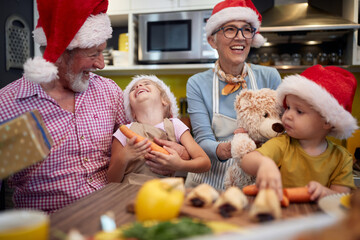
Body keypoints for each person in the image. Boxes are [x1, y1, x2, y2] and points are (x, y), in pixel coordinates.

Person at [185, 0, 281, 190]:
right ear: (213, 40)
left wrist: (255, 153)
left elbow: (282, 132)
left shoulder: (270, 77)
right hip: (208, 183)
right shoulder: (196, 83)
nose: (240, 37)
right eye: (230, 29)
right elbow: (202, 140)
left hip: (257, 180)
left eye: (246, 30)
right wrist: (229, 149)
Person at [241, 65, 358, 201]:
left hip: (320, 220)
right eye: (288, 107)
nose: (287, 115)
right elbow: (247, 161)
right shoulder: (283, 145)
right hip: (281, 217)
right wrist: (264, 163)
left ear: (327, 121)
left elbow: (342, 197)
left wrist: (324, 193)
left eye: (299, 111)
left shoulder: (341, 159)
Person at [108, 75, 211, 184]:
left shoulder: (175, 125)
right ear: (132, 112)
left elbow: (205, 163)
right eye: (133, 89)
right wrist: (123, 158)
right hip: (128, 193)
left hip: (164, 192)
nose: (138, 85)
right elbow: (112, 180)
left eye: (147, 83)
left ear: (164, 100)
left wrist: (180, 165)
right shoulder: (123, 132)